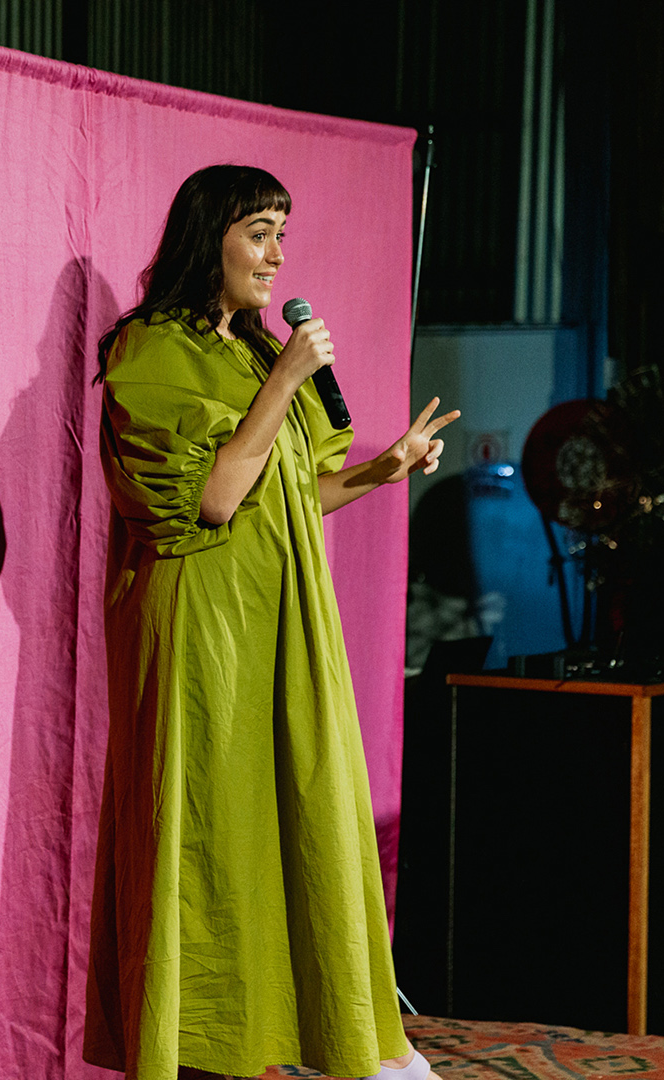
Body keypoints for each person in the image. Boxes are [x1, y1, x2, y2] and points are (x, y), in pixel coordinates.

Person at [84, 164, 458, 1080]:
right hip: (202, 632)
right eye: (258, 232)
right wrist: (288, 378)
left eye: (281, 233)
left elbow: (286, 494)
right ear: (205, 238)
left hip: (277, 622)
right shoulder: (151, 349)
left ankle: (277, 1039)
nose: (276, 254)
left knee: (287, 824)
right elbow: (213, 499)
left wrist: (380, 471)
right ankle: (196, 1049)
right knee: (208, 832)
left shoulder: (253, 352)